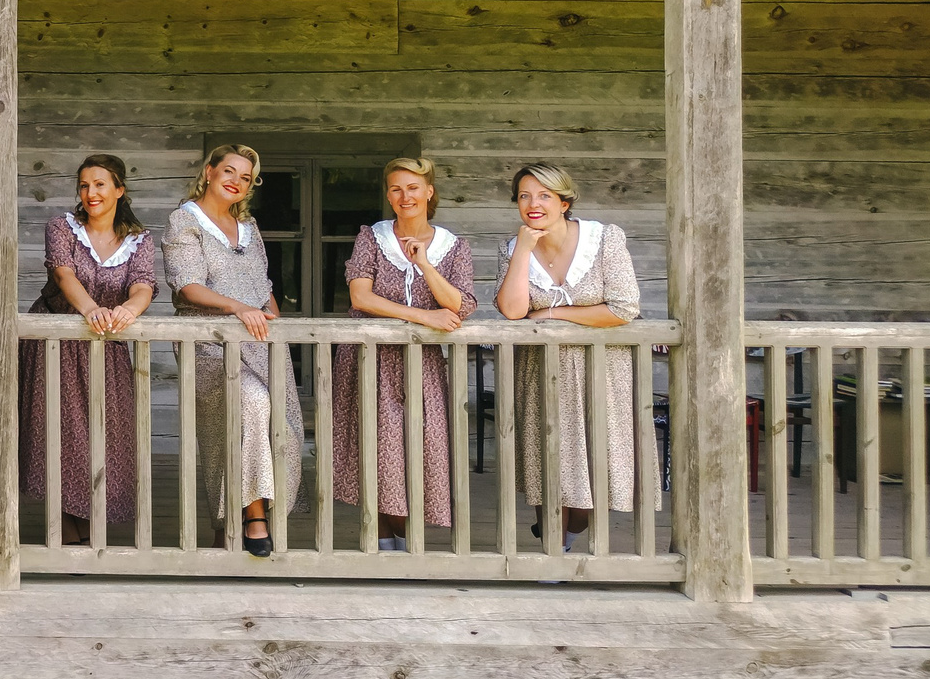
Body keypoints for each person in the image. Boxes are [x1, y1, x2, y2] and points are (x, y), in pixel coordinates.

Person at [497, 161, 652, 541]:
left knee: (592, 481)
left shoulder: (604, 239)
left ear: (564, 202)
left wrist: (553, 312)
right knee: (546, 467)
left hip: (602, 372)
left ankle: (570, 531)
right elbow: (514, 311)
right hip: (539, 371)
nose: (534, 204)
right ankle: (554, 547)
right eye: (524, 196)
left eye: (545, 196)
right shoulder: (512, 247)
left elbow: (623, 307)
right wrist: (523, 249)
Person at [166, 142, 301, 557]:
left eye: (245, 177)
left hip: (260, 341)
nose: (236, 182)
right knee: (251, 406)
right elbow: (187, 284)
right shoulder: (182, 221)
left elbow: (264, 287)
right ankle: (253, 516)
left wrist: (277, 329)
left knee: (274, 427)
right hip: (209, 344)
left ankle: (226, 529)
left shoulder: (250, 227)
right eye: (229, 172)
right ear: (209, 172)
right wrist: (238, 308)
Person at [332, 156, 473, 549]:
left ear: (429, 192)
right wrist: (424, 317)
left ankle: (409, 544)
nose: (404, 195)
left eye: (413, 187)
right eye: (396, 188)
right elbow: (361, 296)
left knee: (419, 450)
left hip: (422, 367)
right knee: (378, 450)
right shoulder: (371, 236)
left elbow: (459, 305)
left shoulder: (453, 247)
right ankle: (383, 542)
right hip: (370, 359)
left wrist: (425, 264)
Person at [20, 153, 157, 545]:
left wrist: (129, 309)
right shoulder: (62, 226)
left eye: (100, 184)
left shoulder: (139, 239)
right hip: (56, 342)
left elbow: (144, 283)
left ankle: (91, 524)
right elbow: (63, 273)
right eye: (84, 185)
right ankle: (68, 532)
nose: (91, 192)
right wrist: (92, 310)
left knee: (103, 436)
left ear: (119, 190)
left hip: (107, 347)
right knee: (60, 434)